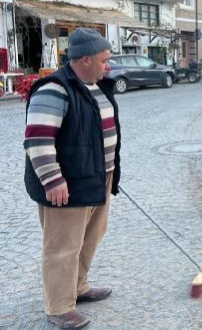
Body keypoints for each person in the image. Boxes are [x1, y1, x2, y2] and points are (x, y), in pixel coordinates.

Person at [24, 28, 120, 329]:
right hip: (67, 185)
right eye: (105, 60)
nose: (110, 66)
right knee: (62, 246)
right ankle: (59, 307)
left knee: (89, 239)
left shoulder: (93, 84)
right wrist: (53, 180)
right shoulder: (54, 89)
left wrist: (109, 169)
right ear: (86, 59)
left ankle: (77, 287)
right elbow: (37, 140)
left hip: (96, 178)